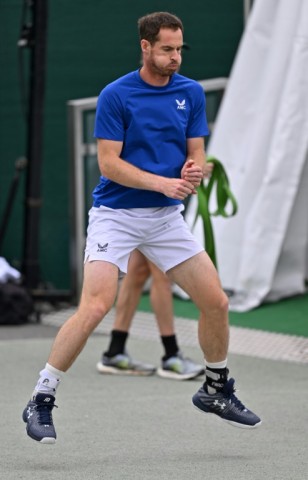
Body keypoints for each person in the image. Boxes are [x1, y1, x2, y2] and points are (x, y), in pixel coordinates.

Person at [22, 11, 261, 444]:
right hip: (116, 215)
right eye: (166, 49)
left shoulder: (189, 93)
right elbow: (109, 163)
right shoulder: (116, 95)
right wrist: (163, 182)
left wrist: (195, 171)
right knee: (96, 307)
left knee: (216, 301)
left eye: (179, 49)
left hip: (165, 219)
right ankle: (41, 396)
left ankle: (215, 387)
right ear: (146, 47)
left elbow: (198, 151)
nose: (175, 58)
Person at [97, 249, 205, 380]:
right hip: (150, 228)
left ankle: (115, 350)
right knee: (162, 274)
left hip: (140, 228)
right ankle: (171, 355)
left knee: (137, 270)